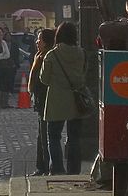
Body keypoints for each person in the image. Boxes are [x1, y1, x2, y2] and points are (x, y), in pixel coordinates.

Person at [40, 22, 85, 175]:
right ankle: (74, 170)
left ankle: (58, 169)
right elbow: (83, 75)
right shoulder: (81, 53)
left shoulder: (52, 55)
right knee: (74, 138)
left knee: (53, 136)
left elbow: (44, 79)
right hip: (75, 100)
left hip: (56, 101)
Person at [29, 28, 55, 176]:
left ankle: (46, 167)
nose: (37, 42)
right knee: (41, 135)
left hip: (46, 101)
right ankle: (41, 166)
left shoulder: (47, 57)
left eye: (40, 39)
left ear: (46, 43)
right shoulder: (39, 56)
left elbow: (43, 81)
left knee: (46, 136)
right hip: (40, 101)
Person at [0, 27, 13, 108]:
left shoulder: (4, 43)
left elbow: (7, 54)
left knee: (6, 84)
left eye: (1, 34)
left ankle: (5, 103)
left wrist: (1, 56)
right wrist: (1, 56)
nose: (0, 36)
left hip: (5, 65)